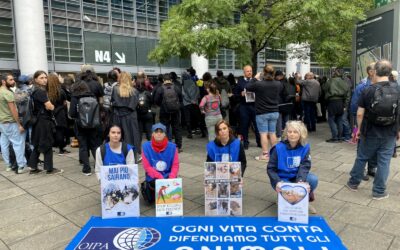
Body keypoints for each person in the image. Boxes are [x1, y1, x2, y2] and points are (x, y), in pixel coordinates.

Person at [347, 60, 400, 200]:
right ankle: (379, 191)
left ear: (375, 71)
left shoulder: (368, 89)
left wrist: (358, 129)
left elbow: (359, 113)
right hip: (390, 132)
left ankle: (353, 183)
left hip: (369, 131)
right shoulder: (397, 89)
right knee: (384, 161)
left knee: (362, 157)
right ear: (389, 72)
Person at [267, 120, 318, 214]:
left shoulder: (305, 147)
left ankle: (304, 202)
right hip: (282, 178)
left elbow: (305, 165)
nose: (292, 134)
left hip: (297, 176)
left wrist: (301, 181)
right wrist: (277, 182)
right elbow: (271, 168)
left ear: (301, 134)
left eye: (295, 132)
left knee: (313, 179)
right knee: (287, 190)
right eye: (289, 132)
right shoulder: (278, 148)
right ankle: (282, 199)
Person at [29, 71, 63, 174]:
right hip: (43, 121)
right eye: (41, 78)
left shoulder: (34, 90)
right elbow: (49, 106)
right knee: (47, 143)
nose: (44, 80)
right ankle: (49, 168)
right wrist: (52, 106)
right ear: (35, 79)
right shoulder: (40, 91)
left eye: (45, 77)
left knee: (38, 144)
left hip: (39, 121)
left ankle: (33, 167)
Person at [246, 65, 282, 161]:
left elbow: (248, 87)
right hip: (274, 111)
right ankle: (274, 155)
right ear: (273, 73)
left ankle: (265, 155)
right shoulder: (278, 84)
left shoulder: (259, 84)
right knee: (272, 133)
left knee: (263, 134)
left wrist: (255, 78)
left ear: (264, 72)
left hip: (262, 112)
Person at [141, 123, 180, 204]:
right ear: (152, 134)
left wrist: (171, 177)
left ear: (165, 134)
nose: (159, 134)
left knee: (172, 198)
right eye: (156, 131)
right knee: (151, 200)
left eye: (161, 132)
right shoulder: (146, 147)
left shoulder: (172, 147)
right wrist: (159, 177)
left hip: (168, 176)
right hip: (154, 176)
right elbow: (147, 167)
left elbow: (175, 165)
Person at [69, 79, 101, 176]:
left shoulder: (75, 97)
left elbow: (72, 113)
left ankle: (86, 169)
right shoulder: (93, 96)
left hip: (80, 125)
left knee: (83, 147)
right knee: (94, 146)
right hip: (93, 125)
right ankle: (98, 166)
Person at [0, 73, 27, 174]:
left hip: (2, 123)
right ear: (3, 81)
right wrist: (19, 124)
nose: (13, 81)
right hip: (10, 122)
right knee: (18, 143)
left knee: (4, 143)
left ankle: (8, 165)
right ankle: (21, 166)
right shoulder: (7, 93)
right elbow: (13, 110)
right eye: (10, 80)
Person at [111, 72, 141, 154]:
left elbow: (112, 102)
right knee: (132, 136)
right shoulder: (134, 91)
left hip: (118, 115)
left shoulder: (115, 89)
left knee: (117, 136)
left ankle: (118, 154)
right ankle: (132, 154)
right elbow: (135, 105)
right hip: (131, 116)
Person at [154, 73, 183, 152]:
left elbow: (156, 100)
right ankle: (178, 146)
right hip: (176, 111)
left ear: (163, 80)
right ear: (171, 80)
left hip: (164, 111)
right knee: (176, 128)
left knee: (165, 128)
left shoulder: (160, 89)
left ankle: (166, 145)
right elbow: (181, 99)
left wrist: (162, 105)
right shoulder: (176, 88)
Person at [233, 65, 261, 150]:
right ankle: (245, 142)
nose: (249, 72)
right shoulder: (240, 82)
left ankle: (259, 142)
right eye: (247, 71)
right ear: (244, 72)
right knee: (244, 125)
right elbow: (235, 95)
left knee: (257, 125)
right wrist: (240, 94)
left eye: (251, 71)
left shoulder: (256, 81)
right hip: (244, 106)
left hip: (254, 106)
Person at [323, 69, 351, 142]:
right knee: (339, 120)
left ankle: (335, 137)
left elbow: (324, 88)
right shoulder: (344, 82)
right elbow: (347, 93)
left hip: (332, 101)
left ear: (334, 74)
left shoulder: (330, 81)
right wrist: (345, 105)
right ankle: (339, 137)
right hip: (341, 102)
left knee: (331, 120)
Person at [47, 73, 69, 155]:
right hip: (60, 113)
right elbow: (64, 102)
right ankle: (61, 149)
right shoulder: (61, 91)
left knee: (52, 131)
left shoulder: (46, 92)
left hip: (50, 113)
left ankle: (52, 147)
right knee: (60, 131)